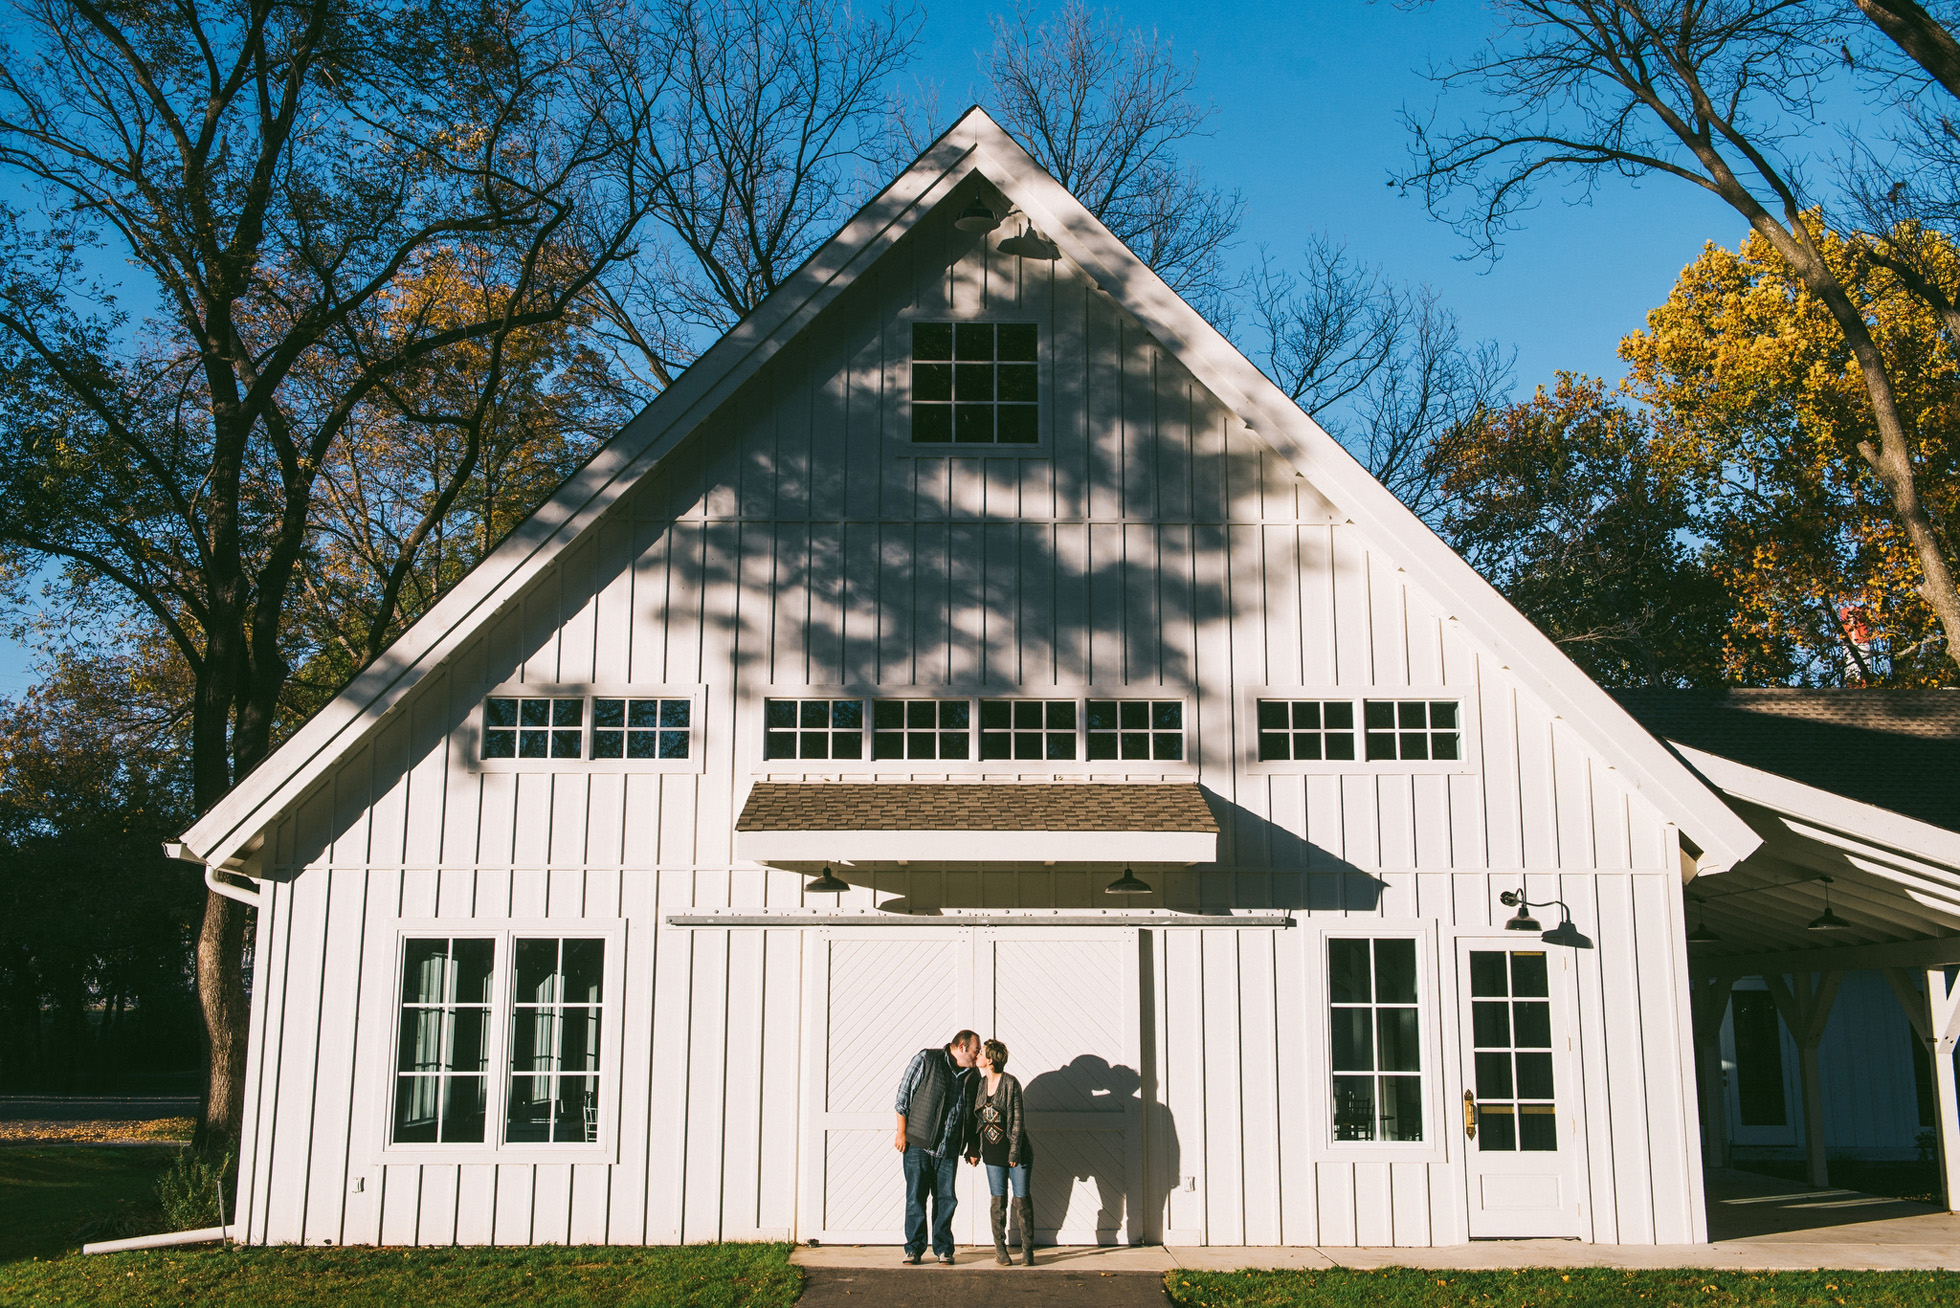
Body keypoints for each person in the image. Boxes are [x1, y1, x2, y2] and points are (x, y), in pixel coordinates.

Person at [893, 1029, 979, 1265]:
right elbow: (903, 1097)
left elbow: (973, 1114)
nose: (978, 1055)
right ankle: (913, 1249)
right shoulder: (926, 1059)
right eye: (975, 1050)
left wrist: (972, 1145)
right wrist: (901, 1133)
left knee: (946, 1199)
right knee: (915, 1198)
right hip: (918, 1145)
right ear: (961, 1048)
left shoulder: (973, 1075)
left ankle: (943, 1248)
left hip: (949, 1148)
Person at [964, 1037, 1035, 1266]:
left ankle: (1027, 1250)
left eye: (982, 1054)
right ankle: (1000, 1249)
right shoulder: (980, 1084)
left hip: (1017, 1153)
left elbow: (1017, 1121)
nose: (978, 1056)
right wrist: (973, 1148)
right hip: (992, 1153)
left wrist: (1014, 1152)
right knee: (998, 1202)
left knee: (1021, 1200)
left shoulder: (1010, 1083)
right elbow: (976, 1121)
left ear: (991, 1061)